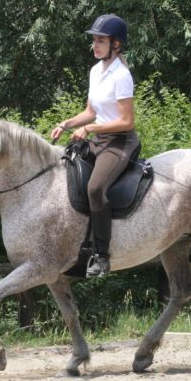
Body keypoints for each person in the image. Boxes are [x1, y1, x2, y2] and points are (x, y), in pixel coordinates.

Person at [50, 14, 140, 278]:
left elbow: (126, 121)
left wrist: (89, 128)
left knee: (95, 188)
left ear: (116, 44)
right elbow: (91, 111)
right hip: (99, 138)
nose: (95, 45)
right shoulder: (95, 71)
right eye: (94, 41)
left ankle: (101, 256)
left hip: (120, 142)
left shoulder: (121, 75)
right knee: (66, 172)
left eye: (101, 40)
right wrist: (66, 123)